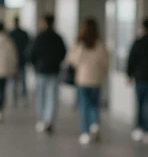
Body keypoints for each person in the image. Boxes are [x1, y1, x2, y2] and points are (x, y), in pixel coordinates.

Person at [66, 18, 108, 146]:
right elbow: (105, 62)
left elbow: (72, 60)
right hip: (96, 79)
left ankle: (85, 132)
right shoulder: (100, 44)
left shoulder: (79, 43)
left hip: (83, 79)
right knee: (94, 104)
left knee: (84, 105)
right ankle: (94, 124)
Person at [29, 14, 67, 134]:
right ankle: (49, 120)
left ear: (44, 23)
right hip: (54, 71)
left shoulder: (39, 37)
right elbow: (63, 53)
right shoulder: (58, 38)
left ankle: (41, 120)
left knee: (41, 96)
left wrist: (35, 65)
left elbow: (31, 53)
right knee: (52, 97)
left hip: (41, 71)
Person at [9, 17, 31, 106]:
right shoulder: (24, 33)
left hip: (14, 61)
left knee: (14, 80)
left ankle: (15, 98)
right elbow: (29, 47)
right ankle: (23, 97)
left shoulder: (11, 34)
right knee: (23, 80)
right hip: (22, 60)